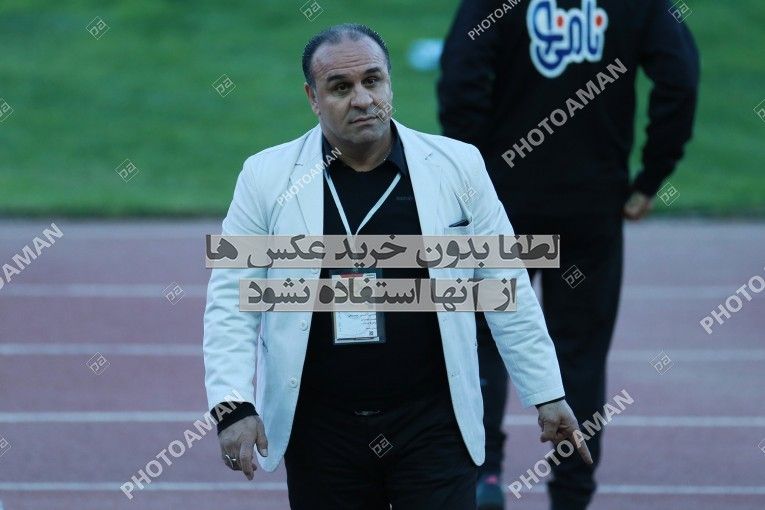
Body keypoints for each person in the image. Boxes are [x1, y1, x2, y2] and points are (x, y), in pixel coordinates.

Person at [203, 23, 592, 510]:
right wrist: (233, 404)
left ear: (390, 82)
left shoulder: (459, 166)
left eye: (373, 80)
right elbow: (231, 298)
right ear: (312, 98)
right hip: (320, 429)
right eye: (340, 88)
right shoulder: (265, 177)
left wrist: (547, 392)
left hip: (434, 423)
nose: (362, 99)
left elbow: (505, 286)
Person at [437, 1, 699, 509]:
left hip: (503, 201)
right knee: (580, 351)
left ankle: (483, 475)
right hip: (591, 204)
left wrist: (472, 177)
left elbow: (460, 79)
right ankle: (571, 492)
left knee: (483, 339)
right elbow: (680, 80)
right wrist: (652, 176)